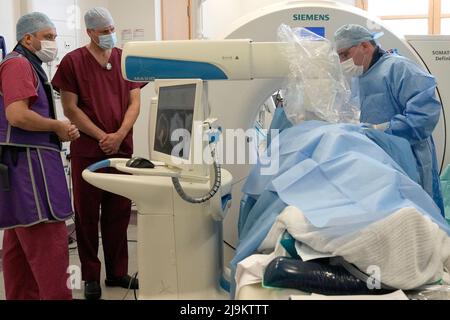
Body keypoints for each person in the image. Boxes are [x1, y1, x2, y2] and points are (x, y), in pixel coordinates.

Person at [52, 7, 144, 300]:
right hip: (89, 151)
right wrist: (102, 136)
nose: (109, 35)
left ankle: (117, 273)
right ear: (89, 32)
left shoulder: (124, 59)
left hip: (121, 150)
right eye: (103, 31)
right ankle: (91, 276)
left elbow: (134, 101)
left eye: (111, 29)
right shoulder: (72, 62)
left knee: (119, 214)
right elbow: (69, 109)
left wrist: (118, 136)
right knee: (87, 217)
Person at [0, 12, 80, 300]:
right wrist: (57, 126)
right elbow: (17, 115)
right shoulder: (19, 65)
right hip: (32, 174)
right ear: (28, 38)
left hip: (20, 170)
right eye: (48, 37)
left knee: (18, 255)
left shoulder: (23, 65)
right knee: (50, 252)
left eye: (55, 37)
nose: (53, 43)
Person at [334, 24, 444, 215]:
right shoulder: (359, 77)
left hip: (409, 159)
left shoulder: (399, 68)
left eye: (345, 54)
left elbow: (424, 116)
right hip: (378, 161)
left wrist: (381, 130)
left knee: (418, 217)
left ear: (365, 46)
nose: (342, 61)